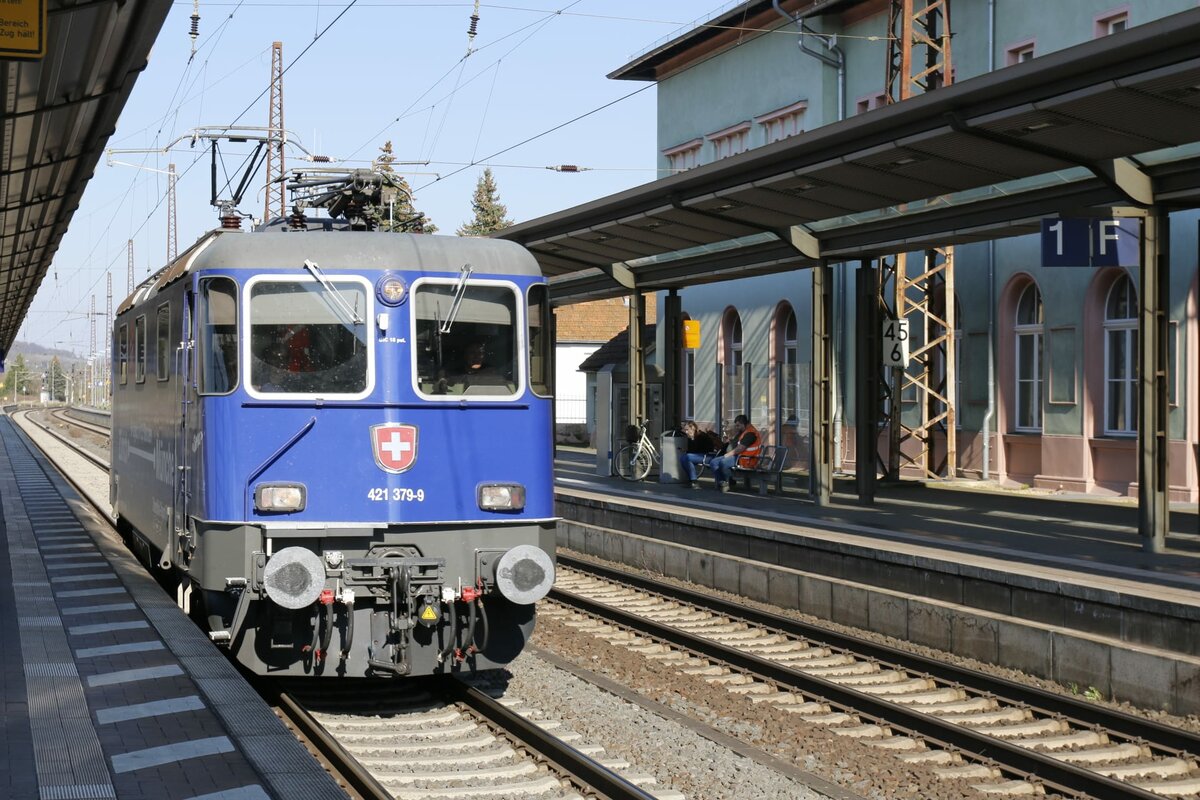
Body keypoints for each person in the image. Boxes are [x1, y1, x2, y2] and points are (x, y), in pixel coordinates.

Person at [709, 414, 761, 493]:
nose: (737, 427)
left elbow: (740, 448)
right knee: (713, 462)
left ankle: (726, 482)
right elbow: (736, 443)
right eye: (736, 425)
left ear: (744, 424)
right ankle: (723, 482)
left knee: (723, 462)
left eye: (738, 425)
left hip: (746, 459)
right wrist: (729, 441)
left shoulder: (751, 433)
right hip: (739, 457)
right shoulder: (743, 431)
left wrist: (727, 455)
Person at [678, 421, 721, 489]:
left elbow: (703, 449)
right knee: (683, 458)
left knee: (687, 457)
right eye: (685, 430)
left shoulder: (701, 436)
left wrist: (692, 440)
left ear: (693, 428)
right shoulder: (690, 437)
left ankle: (694, 481)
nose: (686, 432)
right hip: (699, 455)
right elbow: (691, 451)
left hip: (708, 455)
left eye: (687, 429)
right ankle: (692, 480)